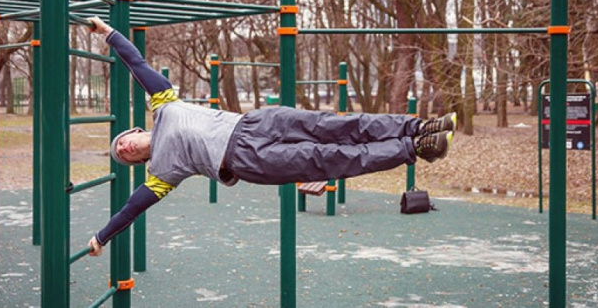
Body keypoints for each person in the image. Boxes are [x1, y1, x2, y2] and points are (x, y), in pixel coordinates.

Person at [85, 16, 456, 257]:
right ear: (137, 161)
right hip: (247, 161)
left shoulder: (163, 103)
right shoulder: (160, 176)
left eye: (122, 143)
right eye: (125, 155)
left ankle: (418, 127)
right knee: (329, 159)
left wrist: (110, 34)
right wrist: (102, 237)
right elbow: (131, 210)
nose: (126, 148)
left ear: (133, 131)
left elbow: (138, 64)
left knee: (336, 125)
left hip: (255, 123)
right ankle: (415, 148)